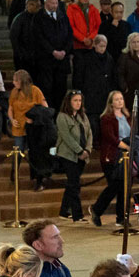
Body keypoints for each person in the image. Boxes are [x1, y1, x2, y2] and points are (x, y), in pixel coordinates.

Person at [90, 90, 132, 227]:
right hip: (111, 156)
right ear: (111, 103)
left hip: (125, 156)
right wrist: (124, 146)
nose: (120, 101)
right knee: (115, 186)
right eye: (116, 99)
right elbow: (110, 137)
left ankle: (121, 218)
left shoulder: (127, 116)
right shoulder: (107, 118)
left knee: (124, 188)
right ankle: (97, 209)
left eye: (121, 99)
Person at [55, 90, 93, 223]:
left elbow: (89, 133)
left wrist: (87, 150)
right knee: (74, 184)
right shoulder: (62, 117)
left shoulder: (83, 116)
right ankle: (78, 215)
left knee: (72, 184)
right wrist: (79, 151)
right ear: (69, 102)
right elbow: (67, 137)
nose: (78, 103)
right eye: (75, 100)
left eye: (79, 100)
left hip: (83, 154)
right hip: (68, 155)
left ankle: (64, 211)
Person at [34, 0, 72, 114]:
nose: (55, 5)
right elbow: (39, 38)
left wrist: (65, 51)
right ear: (46, 3)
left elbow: (69, 35)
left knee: (61, 90)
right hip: (46, 61)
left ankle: (60, 115)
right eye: (52, 3)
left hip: (62, 61)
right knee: (47, 89)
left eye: (56, 3)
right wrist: (52, 51)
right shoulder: (38, 17)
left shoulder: (62, 16)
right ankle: (49, 115)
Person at [75, 35, 116, 142]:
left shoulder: (109, 58)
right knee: (92, 119)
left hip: (104, 93)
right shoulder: (86, 58)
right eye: (100, 46)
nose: (102, 49)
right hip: (90, 93)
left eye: (104, 46)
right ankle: (93, 141)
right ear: (95, 45)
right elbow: (80, 76)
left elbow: (112, 76)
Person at [66, 0, 101, 90]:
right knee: (79, 72)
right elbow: (71, 26)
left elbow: (98, 26)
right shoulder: (71, 9)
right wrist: (83, 39)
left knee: (90, 71)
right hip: (78, 46)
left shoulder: (93, 9)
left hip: (91, 45)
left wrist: (90, 38)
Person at [10, 0, 42, 76]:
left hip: (37, 56)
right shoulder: (19, 19)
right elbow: (14, 38)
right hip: (22, 57)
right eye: (36, 6)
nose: (39, 8)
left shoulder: (40, 18)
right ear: (29, 5)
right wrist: (21, 54)